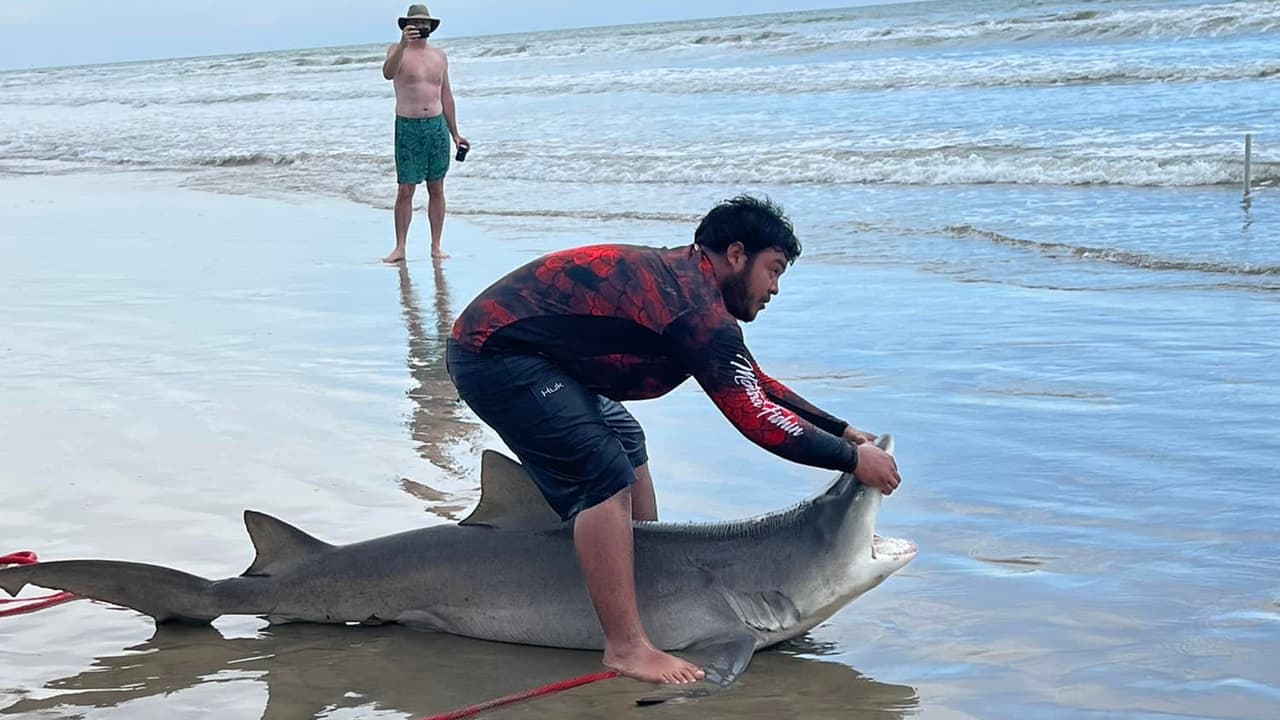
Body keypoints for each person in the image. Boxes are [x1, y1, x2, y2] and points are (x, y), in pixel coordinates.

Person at [445, 195, 902, 685]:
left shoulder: (693, 290)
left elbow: (750, 381)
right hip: (493, 354)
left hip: (540, 357)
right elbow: (755, 418)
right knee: (602, 476)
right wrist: (852, 460)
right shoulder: (694, 311)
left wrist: (839, 430)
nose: (774, 288)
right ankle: (626, 646)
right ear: (736, 254)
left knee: (625, 439)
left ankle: (644, 577)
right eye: (773, 270)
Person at [382, 4, 468, 263]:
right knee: (406, 189)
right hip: (408, 126)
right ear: (406, 25)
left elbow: (446, 95)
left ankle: (436, 245)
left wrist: (456, 134)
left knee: (437, 188)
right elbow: (387, 73)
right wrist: (401, 44)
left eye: (424, 23)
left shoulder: (439, 56)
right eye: (415, 22)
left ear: (431, 26)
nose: (421, 26)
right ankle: (400, 247)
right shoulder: (396, 51)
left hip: (436, 126)